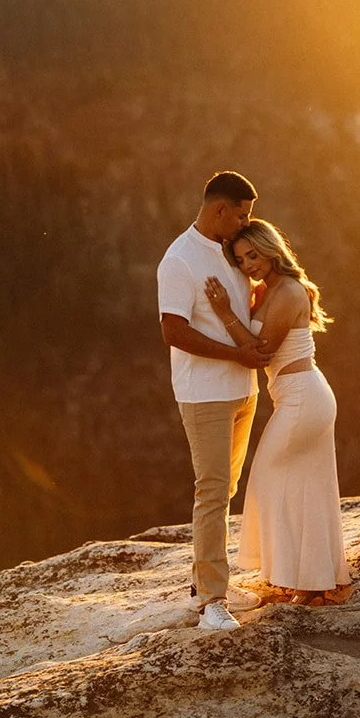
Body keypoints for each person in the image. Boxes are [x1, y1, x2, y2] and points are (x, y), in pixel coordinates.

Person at [206, 219, 352, 605]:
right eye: (240, 259)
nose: (248, 264)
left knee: (270, 477)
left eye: (253, 255)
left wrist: (224, 313)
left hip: (304, 398)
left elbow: (260, 354)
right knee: (307, 486)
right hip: (297, 396)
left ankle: (303, 578)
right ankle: (313, 579)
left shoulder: (287, 292)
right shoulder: (265, 291)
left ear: (271, 249)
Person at [157, 171, 270, 630]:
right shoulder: (179, 259)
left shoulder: (229, 252)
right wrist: (237, 355)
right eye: (241, 214)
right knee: (210, 490)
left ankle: (206, 581)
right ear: (219, 210)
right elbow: (174, 331)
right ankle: (210, 602)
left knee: (225, 490)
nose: (246, 223)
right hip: (205, 394)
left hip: (243, 391)